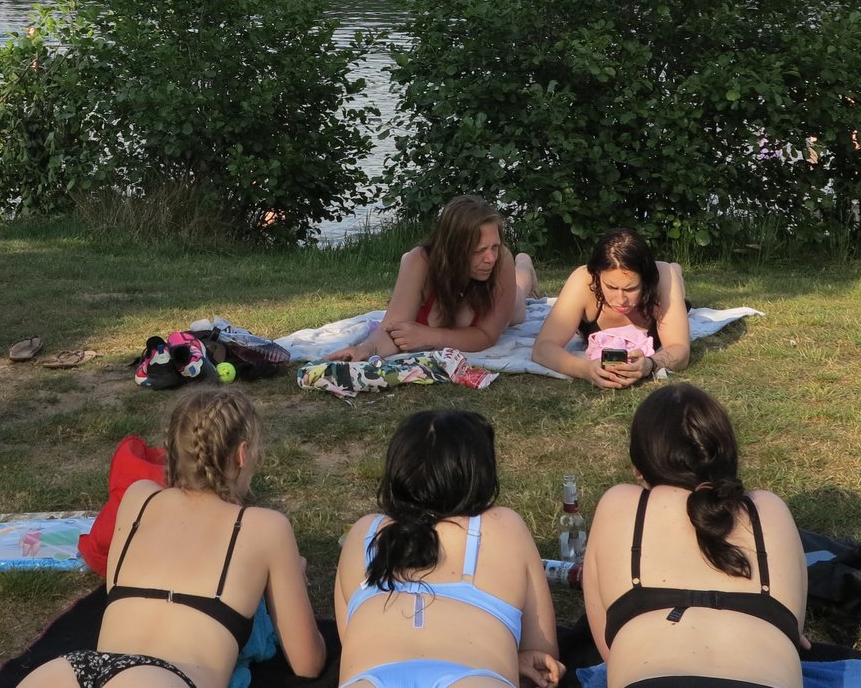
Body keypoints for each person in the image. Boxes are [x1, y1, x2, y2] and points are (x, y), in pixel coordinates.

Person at [18, 388, 324, 688]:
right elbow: (307, 664)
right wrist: (288, 580)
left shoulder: (139, 497)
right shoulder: (266, 527)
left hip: (75, 668)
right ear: (242, 455)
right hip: (163, 678)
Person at [581, 384, 808, 688]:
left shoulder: (620, 505)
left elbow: (610, 649)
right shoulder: (769, 510)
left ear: (638, 467)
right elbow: (794, 632)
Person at [334, 409, 563, 688]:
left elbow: (351, 639)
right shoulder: (502, 526)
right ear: (480, 474)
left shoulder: (364, 532)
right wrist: (512, 659)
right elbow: (544, 651)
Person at [328, 196, 539, 362]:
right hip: (431, 274)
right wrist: (364, 350)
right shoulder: (420, 260)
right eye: (479, 250)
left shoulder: (500, 260)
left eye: (494, 246)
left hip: (501, 302)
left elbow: (487, 336)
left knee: (519, 297)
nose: (490, 257)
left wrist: (428, 336)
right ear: (453, 249)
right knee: (410, 261)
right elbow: (391, 328)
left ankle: (525, 264)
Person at [530, 228, 690, 388]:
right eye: (611, 287)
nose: (621, 300)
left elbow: (680, 349)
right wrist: (585, 369)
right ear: (597, 276)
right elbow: (542, 348)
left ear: (645, 281)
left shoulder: (662, 280)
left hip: (665, 277)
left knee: (673, 277)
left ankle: (677, 270)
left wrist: (650, 364)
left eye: (630, 288)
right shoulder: (583, 281)